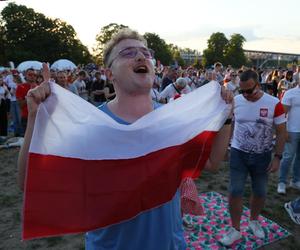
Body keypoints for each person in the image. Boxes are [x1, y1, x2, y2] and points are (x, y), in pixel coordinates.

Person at [17, 28, 233, 250]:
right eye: (128, 53)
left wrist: (226, 116)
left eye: (145, 53)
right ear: (110, 74)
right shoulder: (91, 125)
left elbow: (211, 163)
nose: (141, 57)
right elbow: (27, 181)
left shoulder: (172, 120)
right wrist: (35, 117)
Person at [219, 69, 287, 246]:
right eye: (242, 90)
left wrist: (278, 157)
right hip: (238, 154)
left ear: (259, 84)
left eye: (249, 90)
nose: (246, 94)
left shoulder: (274, 103)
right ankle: (235, 229)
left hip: (262, 156)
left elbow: (281, 133)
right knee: (235, 191)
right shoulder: (236, 101)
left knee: (260, 191)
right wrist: (226, 147)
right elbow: (230, 126)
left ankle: (254, 220)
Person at [277, 80, 300, 194]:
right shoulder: (291, 93)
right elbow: (282, 114)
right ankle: (282, 182)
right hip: (292, 130)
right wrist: (284, 130)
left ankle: (296, 181)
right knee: (288, 157)